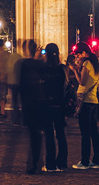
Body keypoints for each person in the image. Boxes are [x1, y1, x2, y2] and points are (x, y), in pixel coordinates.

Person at [71, 42, 99, 170]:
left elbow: (82, 82)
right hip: (94, 100)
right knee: (94, 133)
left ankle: (84, 161)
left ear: (84, 53)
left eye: (78, 55)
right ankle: (97, 160)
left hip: (85, 100)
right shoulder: (96, 64)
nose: (78, 57)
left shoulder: (86, 63)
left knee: (85, 133)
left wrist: (75, 70)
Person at [40, 43, 69, 172]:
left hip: (46, 105)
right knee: (61, 134)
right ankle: (62, 162)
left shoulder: (43, 68)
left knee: (49, 135)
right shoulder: (62, 68)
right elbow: (64, 87)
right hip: (59, 105)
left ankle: (50, 164)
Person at [18, 39, 45, 174]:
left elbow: (20, 86)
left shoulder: (23, 64)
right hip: (41, 102)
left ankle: (34, 162)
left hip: (29, 102)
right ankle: (39, 161)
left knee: (33, 133)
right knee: (40, 134)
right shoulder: (41, 64)